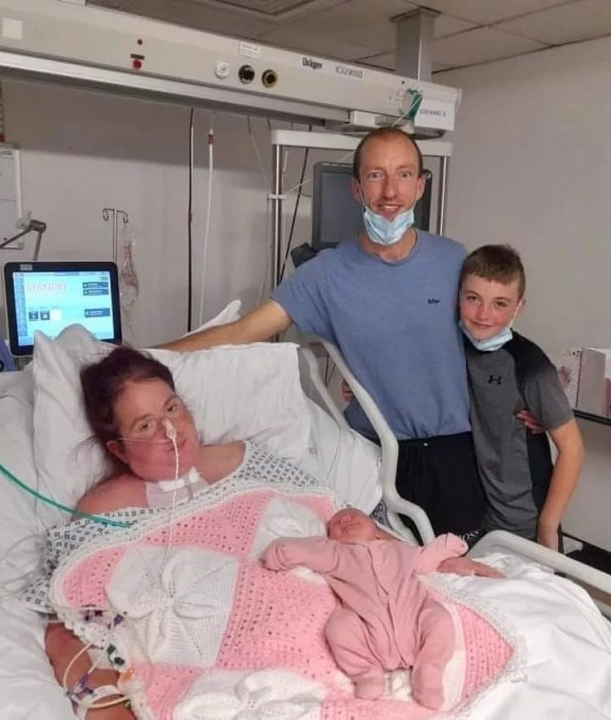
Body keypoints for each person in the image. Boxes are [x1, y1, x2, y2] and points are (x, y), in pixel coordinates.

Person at [159, 127, 488, 540]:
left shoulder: (453, 259)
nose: (390, 191)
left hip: (457, 449)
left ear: (420, 186)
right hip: (376, 455)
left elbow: (492, 340)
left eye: (404, 175)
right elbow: (243, 331)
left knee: (463, 574)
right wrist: (144, 357)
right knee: (383, 576)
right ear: (355, 188)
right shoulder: (326, 274)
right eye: (375, 176)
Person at [41, 346, 332, 720]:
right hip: (217, 666)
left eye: (172, 408)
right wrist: (104, 704)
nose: (171, 431)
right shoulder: (101, 511)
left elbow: (336, 522)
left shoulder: (245, 460)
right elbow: (64, 616)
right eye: (145, 425)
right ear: (119, 449)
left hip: (317, 623)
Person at [261, 508, 500, 710]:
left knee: (439, 618)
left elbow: (426, 558)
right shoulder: (335, 553)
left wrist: (449, 544)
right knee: (339, 629)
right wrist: (282, 552)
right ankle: (365, 674)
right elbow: (305, 551)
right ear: (331, 538)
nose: (345, 519)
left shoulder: (398, 550)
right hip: (367, 626)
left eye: (355, 516)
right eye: (337, 523)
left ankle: (429, 668)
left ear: (377, 531)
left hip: (413, 617)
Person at [458, 245, 584, 551]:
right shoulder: (449, 346)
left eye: (500, 304)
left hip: (519, 517)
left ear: (518, 307)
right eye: (473, 298)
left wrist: (547, 527)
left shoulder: (529, 365)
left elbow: (573, 448)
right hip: (468, 507)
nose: (483, 315)